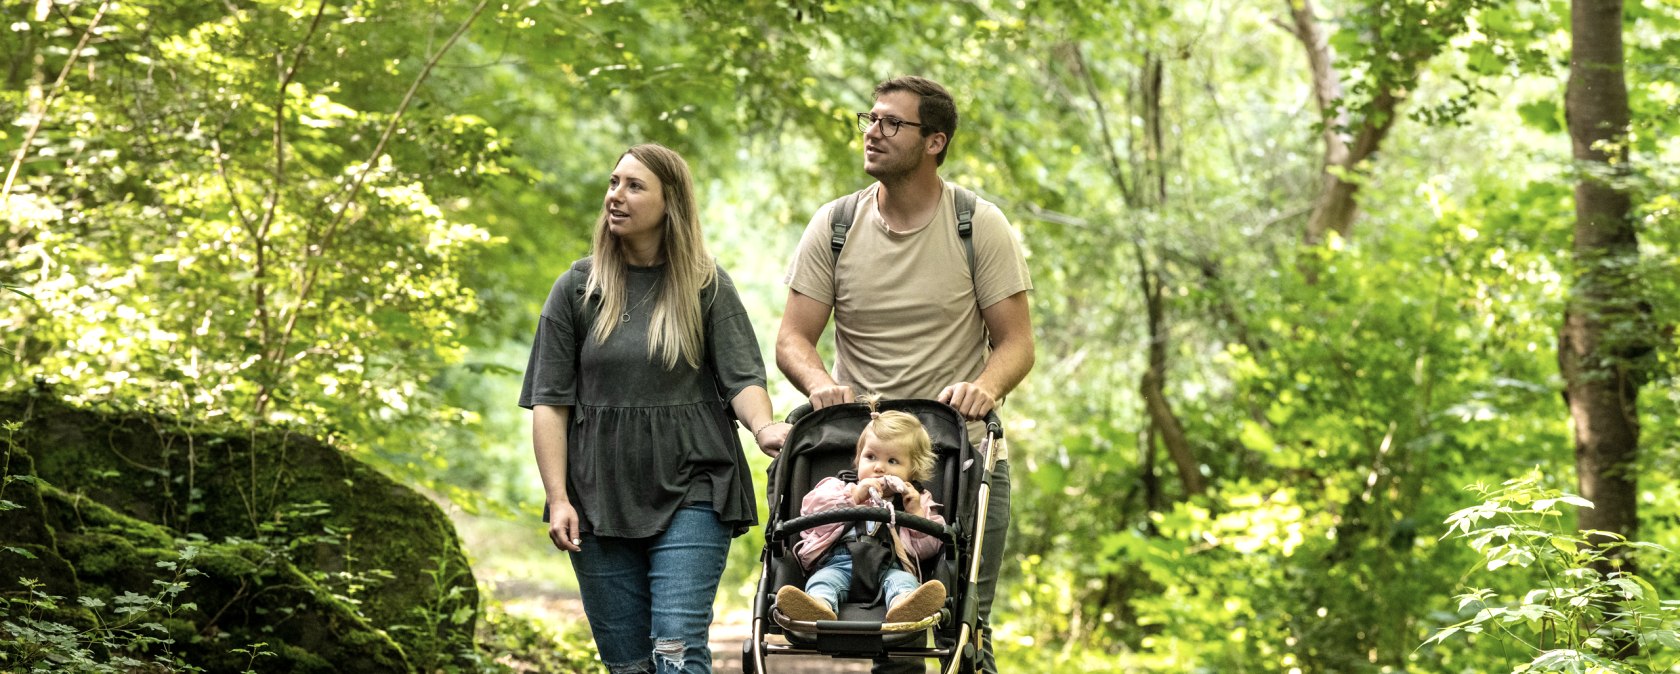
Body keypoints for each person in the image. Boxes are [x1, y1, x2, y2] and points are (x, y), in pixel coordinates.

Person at [777, 76, 1034, 674]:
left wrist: (986, 387)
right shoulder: (835, 225)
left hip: (958, 458)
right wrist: (819, 384)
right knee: (889, 643)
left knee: (963, 631)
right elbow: (793, 338)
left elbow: (1017, 343)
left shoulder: (978, 224)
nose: (873, 131)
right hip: (859, 457)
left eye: (892, 123)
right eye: (870, 118)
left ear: (934, 141)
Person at [521, 143, 792, 674]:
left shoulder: (704, 284)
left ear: (671, 203)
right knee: (627, 664)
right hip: (597, 494)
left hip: (694, 484)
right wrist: (558, 498)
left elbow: (742, 377)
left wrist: (763, 428)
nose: (615, 196)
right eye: (613, 182)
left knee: (675, 648)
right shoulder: (577, 288)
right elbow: (549, 404)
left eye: (634, 186)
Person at [776, 397, 948, 624]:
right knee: (822, 582)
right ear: (858, 459)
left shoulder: (918, 500)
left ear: (912, 471)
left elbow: (928, 550)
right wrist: (855, 496)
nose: (879, 467)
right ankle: (818, 607)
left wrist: (915, 513)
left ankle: (905, 607)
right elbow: (811, 511)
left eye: (893, 461)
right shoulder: (838, 487)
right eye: (871, 457)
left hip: (890, 567)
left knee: (904, 583)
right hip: (837, 563)